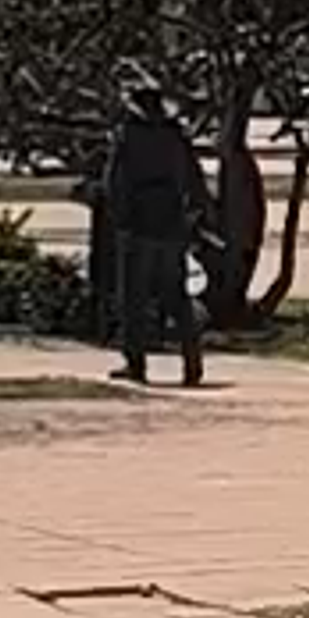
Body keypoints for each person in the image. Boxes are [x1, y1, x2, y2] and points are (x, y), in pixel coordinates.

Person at [96, 79, 213, 387]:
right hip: (171, 222)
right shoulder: (176, 136)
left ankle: (136, 363)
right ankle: (192, 360)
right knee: (175, 294)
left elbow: (115, 182)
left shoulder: (127, 137)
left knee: (133, 297)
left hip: (138, 225)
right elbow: (194, 178)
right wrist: (197, 214)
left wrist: (118, 217)